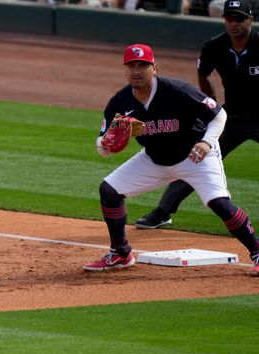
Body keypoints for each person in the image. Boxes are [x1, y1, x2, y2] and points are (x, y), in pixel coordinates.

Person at [85, 43, 259, 274]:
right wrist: (105, 144)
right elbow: (102, 143)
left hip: (195, 157)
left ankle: (257, 251)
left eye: (143, 65)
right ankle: (120, 253)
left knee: (219, 204)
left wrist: (207, 142)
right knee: (109, 190)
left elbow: (219, 114)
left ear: (154, 67)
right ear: (125, 70)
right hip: (154, 159)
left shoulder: (178, 90)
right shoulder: (120, 103)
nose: (137, 71)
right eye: (132, 66)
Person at [134, 0, 259, 229]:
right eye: (229, 18)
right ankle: (163, 212)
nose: (234, 23)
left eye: (239, 18)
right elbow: (204, 72)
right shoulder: (214, 46)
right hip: (231, 117)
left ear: (250, 20)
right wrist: (211, 105)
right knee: (197, 157)